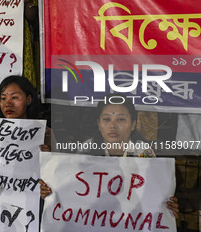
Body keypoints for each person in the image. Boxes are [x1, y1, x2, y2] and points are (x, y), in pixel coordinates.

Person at [40, 93, 179, 218]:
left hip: (131, 221)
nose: (113, 126)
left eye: (121, 120)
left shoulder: (142, 151)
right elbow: (73, 185)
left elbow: (154, 189)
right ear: (98, 124)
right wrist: (52, 192)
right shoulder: (88, 148)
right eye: (106, 119)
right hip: (96, 219)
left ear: (133, 124)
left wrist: (166, 206)